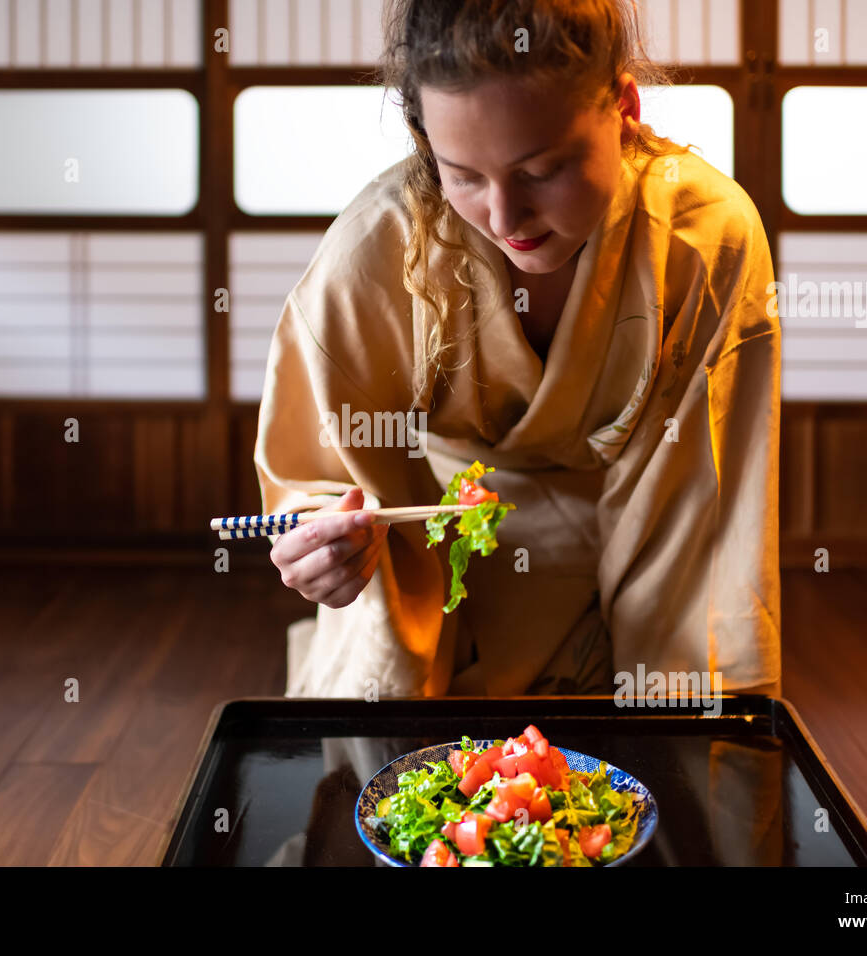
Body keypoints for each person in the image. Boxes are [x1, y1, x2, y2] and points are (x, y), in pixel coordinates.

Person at [254, 0, 782, 700]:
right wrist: (325, 539)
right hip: (438, 551)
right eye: (464, 175)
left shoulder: (704, 240)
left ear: (626, 109)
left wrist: (668, 719)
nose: (505, 218)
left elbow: (702, 506)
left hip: (638, 552)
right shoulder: (376, 249)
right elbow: (320, 477)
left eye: (542, 170)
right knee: (389, 766)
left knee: (673, 752)